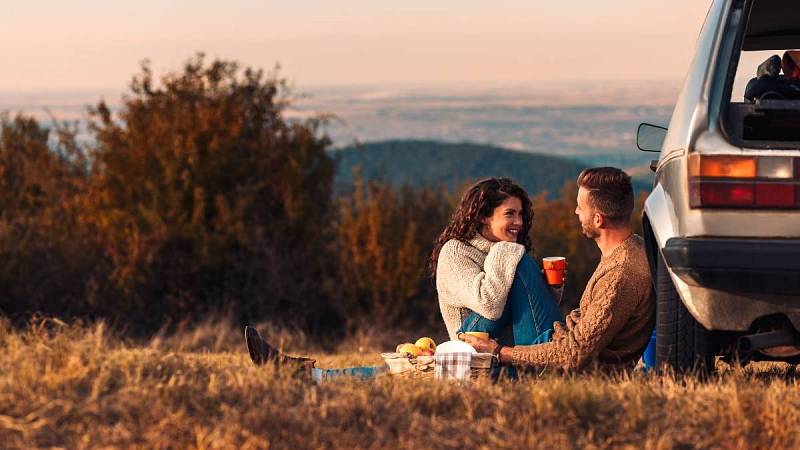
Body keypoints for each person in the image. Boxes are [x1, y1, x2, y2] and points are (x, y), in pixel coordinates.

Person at [245, 177, 561, 380]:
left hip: (497, 352)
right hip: (471, 345)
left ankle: (306, 375)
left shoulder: (507, 256)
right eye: (510, 214)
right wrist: (507, 252)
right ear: (482, 217)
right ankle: (545, 362)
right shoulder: (458, 253)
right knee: (414, 371)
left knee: (406, 374)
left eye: (521, 215)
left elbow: (522, 312)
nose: (519, 222)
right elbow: (490, 306)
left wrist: (551, 292)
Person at [459, 167, 655, 371]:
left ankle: (459, 345)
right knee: (518, 268)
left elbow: (574, 354)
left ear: (598, 219)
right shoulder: (632, 247)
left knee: (519, 263)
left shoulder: (621, 274)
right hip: (559, 341)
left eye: (580, 207)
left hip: (563, 372)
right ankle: (463, 345)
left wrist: (500, 352)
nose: (576, 211)